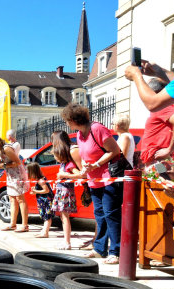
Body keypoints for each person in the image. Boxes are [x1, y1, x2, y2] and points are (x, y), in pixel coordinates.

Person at [62, 103, 122, 264]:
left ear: (74, 119)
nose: (67, 124)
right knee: (100, 215)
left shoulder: (97, 129)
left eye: (68, 120)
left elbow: (114, 151)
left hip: (108, 177)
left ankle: (115, 251)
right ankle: (100, 249)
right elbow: (86, 158)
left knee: (111, 214)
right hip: (94, 180)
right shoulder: (80, 135)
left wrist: (95, 165)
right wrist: (85, 171)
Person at [0, 131, 29, 232]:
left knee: (20, 199)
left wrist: (3, 165)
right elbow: (9, 161)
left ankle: (25, 225)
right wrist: (2, 163)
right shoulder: (2, 148)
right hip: (11, 174)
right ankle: (12, 224)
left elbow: (18, 162)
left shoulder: (6, 148)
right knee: (12, 199)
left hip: (17, 174)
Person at [51, 138, 80, 250]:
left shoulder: (69, 164)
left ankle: (67, 242)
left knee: (65, 217)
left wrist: (64, 175)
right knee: (63, 218)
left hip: (65, 193)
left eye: (56, 156)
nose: (55, 159)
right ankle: (65, 241)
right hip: (62, 192)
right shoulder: (64, 164)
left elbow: (78, 174)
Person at [139, 78, 174, 165]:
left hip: (158, 161)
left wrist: (169, 149)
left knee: (159, 178)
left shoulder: (162, 107)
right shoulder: (162, 108)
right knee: (158, 178)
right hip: (156, 160)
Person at [28, 162, 54, 238]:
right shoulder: (39, 180)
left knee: (47, 217)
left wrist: (36, 191)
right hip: (43, 201)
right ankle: (43, 231)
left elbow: (46, 190)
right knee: (45, 217)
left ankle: (45, 232)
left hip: (46, 201)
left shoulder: (41, 180)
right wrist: (35, 191)